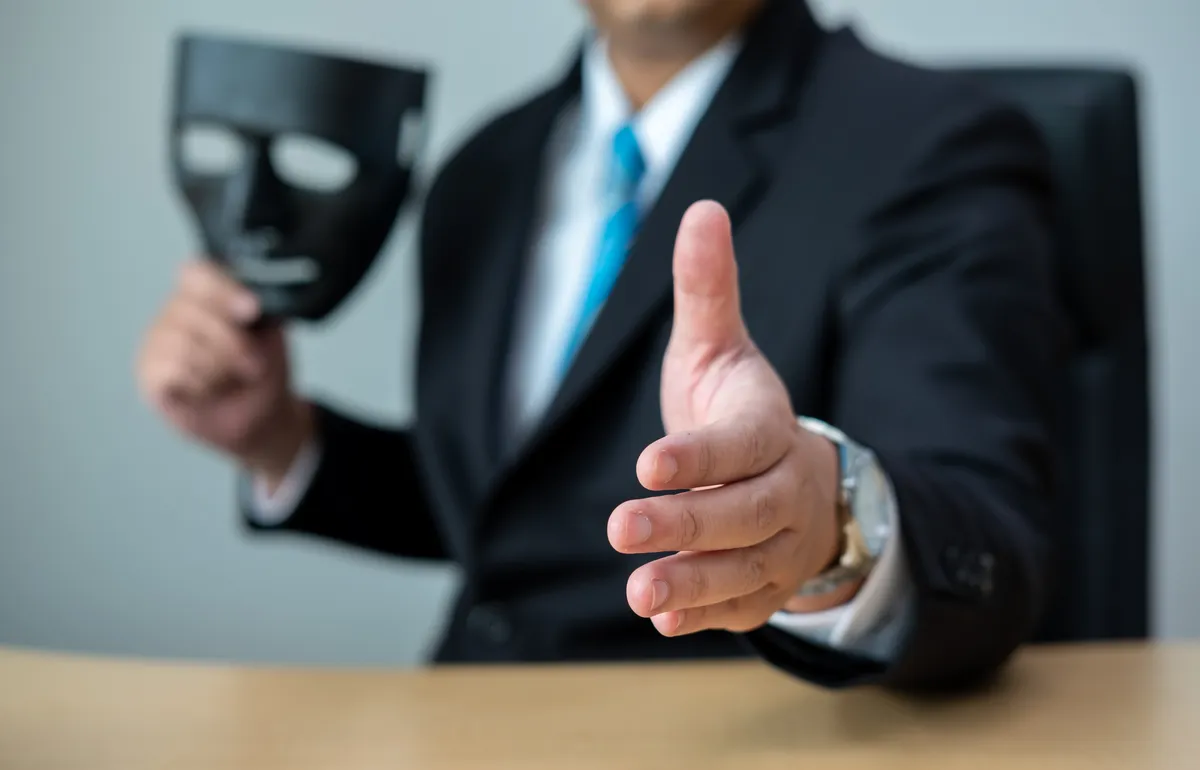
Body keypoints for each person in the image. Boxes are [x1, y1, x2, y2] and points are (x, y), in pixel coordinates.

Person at [136, 0, 1063, 689]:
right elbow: (518, 509)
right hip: (464, 738)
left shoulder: (926, 143)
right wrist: (281, 440)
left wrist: (824, 526)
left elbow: (985, 538)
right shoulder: (481, 172)